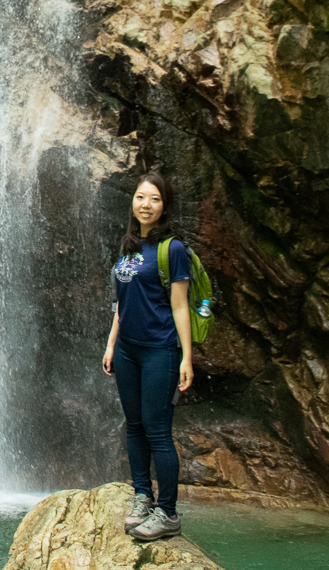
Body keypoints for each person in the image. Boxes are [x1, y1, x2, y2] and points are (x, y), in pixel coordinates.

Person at [102, 171, 192, 540]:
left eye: (154, 199)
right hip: (127, 350)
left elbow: (181, 305)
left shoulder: (173, 250)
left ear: (164, 205)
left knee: (158, 431)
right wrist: (111, 345)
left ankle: (167, 512)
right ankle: (142, 496)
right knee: (134, 426)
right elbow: (120, 305)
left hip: (159, 351)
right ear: (133, 202)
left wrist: (186, 357)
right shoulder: (128, 246)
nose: (146, 204)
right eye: (141, 197)